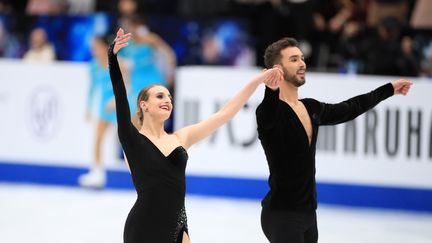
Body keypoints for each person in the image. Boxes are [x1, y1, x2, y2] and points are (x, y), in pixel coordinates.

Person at [109, 28, 282, 243]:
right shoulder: (132, 139)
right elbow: (119, 93)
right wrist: (112, 55)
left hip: (178, 225)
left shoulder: (181, 137)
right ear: (144, 105)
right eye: (160, 96)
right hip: (143, 228)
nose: (168, 100)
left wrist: (257, 81)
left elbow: (224, 114)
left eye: (170, 97)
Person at [256, 37, 412, 243]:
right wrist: (271, 90)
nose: (303, 64)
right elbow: (268, 114)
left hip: (309, 215)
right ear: (277, 68)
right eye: (294, 60)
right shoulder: (270, 113)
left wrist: (388, 90)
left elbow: (350, 108)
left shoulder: (311, 108)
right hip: (281, 215)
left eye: (302, 58)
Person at [78, 36, 119, 188]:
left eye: (96, 46)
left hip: (119, 104)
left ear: (105, 46)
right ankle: (97, 173)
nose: (93, 50)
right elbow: (92, 88)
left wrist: (116, 99)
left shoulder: (116, 62)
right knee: (98, 139)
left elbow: (126, 84)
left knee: (127, 141)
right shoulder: (93, 66)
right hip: (104, 107)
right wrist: (88, 109)